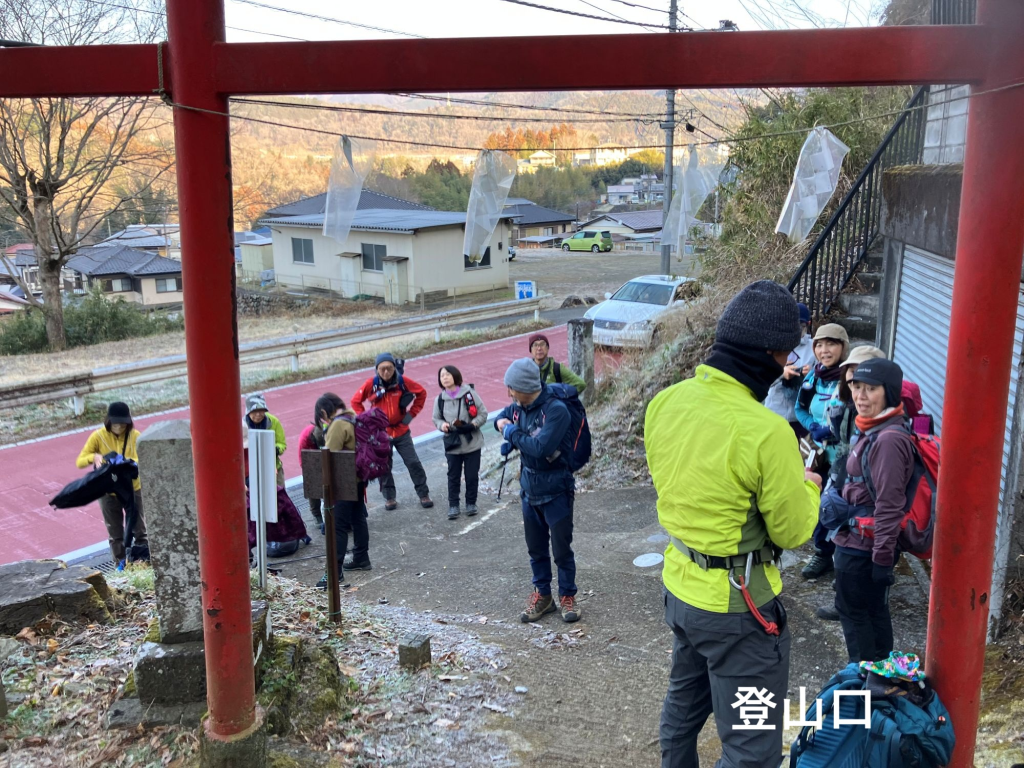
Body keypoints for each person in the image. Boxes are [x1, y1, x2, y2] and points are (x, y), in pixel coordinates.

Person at [645, 280, 820, 768]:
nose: (788, 363)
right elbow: (792, 531)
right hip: (739, 609)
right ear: (767, 353)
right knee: (750, 752)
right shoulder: (766, 431)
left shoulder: (666, 402)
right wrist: (810, 483)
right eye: (786, 352)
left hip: (680, 587)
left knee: (682, 711)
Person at [832, 359, 913, 663]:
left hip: (863, 547)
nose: (861, 395)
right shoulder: (876, 428)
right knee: (871, 609)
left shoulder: (889, 439)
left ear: (889, 393)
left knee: (855, 613)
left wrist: (881, 559)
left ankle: (863, 680)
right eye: (856, 387)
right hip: (857, 540)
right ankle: (879, 677)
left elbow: (890, 506)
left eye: (871, 389)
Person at [495, 358, 581, 623]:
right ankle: (543, 596)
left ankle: (568, 595)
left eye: (511, 388)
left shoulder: (556, 411)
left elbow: (540, 448)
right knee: (536, 549)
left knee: (562, 549)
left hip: (556, 489)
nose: (509, 393)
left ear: (524, 386)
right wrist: (508, 429)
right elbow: (501, 417)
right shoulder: (520, 406)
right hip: (529, 489)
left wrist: (510, 433)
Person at [815, 345, 885, 623]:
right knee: (839, 539)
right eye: (852, 375)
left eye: (861, 375)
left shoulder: (882, 421)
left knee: (859, 549)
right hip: (843, 476)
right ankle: (843, 596)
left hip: (864, 493)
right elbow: (842, 440)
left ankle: (855, 606)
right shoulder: (845, 401)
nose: (856, 383)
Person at [794, 323, 849, 580]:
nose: (824, 350)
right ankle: (822, 553)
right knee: (819, 502)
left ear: (843, 347)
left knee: (843, 503)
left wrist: (837, 431)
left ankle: (845, 556)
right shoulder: (812, 377)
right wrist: (813, 426)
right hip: (818, 455)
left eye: (831, 344)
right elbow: (800, 409)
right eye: (819, 345)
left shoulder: (850, 377)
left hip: (845, 455)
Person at [351, 353, 433, 510]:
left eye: (389, 368)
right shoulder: (371, 384)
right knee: (384, 466)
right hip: (380, 434)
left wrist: (410, 415)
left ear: (395, 368)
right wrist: (368, 421)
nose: (386, 372)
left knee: (413, 462)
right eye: (382, 369)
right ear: (376, 370)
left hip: (401, 431)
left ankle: (423, 494)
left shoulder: (402, 382)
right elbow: (355, 402)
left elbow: (421, 393)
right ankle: (389, 498)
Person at [75, 402, 149, 569]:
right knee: (115, 534)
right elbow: (80, 461)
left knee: (140, 530)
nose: (119, 427)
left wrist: (128, 462)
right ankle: (121, 567)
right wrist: (94, 457)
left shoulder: (135, 436)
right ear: (108, 421)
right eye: (115, 424)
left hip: (132, 489)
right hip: (108, 491)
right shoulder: (98, 436)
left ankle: (143, 563)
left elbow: (145, 458)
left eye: (123, 424)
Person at [313, 393, 371, 588]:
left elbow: (330, 454)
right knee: (358, 518)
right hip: (359, 477)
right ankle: (361, 558)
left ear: (323, 411)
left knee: (337, 526)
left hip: (344, 480)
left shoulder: (337, 424)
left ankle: (334, 573)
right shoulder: (352, 416)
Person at [432, 365, 488, 520]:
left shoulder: (469, 394)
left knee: (471, 476)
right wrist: (442, 425)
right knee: (453, 476)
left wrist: (474, 424)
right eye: (442, 375)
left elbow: (483, 413)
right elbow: (436, 418)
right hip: (453, 443)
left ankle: (471, 503)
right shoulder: (440, 399)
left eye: (448, 374)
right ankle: (453, 505)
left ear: (455, 376)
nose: (445, 377)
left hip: (472, 442)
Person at [763, 302, 815, 436]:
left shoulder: (814, 348)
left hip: (801, 416)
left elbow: (822, 378)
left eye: (801, 326)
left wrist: (810, 374)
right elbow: (761, 377)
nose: (796, 331)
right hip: (774, 412)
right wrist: (781, 373)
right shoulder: (773, 346)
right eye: (792, 326)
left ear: (807, 325)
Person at [244, 393, 287, 488]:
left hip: (273, 467)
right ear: (248, 411)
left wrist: (275, 449)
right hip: (250, 471)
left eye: (262, 411)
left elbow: (282, 443)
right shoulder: (242, 426)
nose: (258, 414)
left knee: (279, 497)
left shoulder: (273, 421)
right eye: (255, 411)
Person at [297, 420, 326, 533]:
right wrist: (308, 472)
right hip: (309, 457)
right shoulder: (305, 438)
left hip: (324, 453)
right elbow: (302, 458)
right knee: (313, 487)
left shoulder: (326, 429)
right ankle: (316, 514)